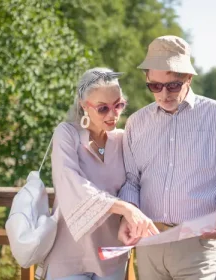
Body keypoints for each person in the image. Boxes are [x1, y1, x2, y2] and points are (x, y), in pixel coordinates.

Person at [117, 35, 216, 280]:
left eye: (172, 85)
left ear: (188, 79)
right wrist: (129, 215)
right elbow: (131, 181)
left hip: (199, 244)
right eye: (155, 86)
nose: (163, 94)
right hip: (149, 241)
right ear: (147, 80)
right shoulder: (137, 123)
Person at [44, 67, 158, 280]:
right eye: (103, 108)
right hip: (69, 256)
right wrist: (124, 208)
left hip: (111, 257)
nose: (113, 114)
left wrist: (130, 210)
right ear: (83, 105)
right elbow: (71, 183)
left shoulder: (123, 140)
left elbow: (136, 183)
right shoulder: (66, 133)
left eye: (118, 105)